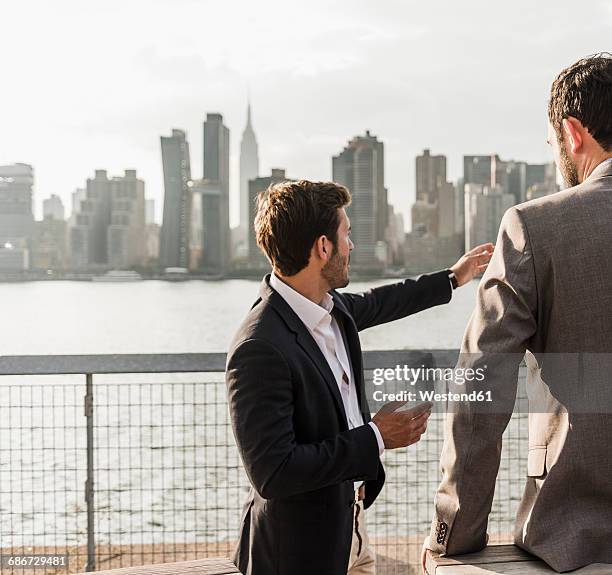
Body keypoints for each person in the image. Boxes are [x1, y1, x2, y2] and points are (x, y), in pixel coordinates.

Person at [226, 179, 492, 575]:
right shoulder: (258, 347)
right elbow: (275, 472)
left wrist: (453, 277)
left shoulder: (331, 310)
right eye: (346, 234)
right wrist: (377, 436)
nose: (352, 246)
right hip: (296, 554)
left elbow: (384, 301)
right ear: (323, 247)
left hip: (349, 531)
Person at [422, 53, 612, 573]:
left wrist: (453, 535)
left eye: (551, 142)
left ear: (574, 133)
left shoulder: (534, 227)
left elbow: (481, 386)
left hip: (575, 538)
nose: (554, 153)